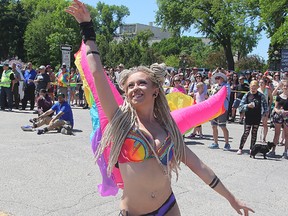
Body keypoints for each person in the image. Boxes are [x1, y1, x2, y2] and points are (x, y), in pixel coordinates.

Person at [66, 1, 255, 215]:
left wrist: (232, 199)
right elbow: (97, 73)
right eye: (130, 85)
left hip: (168, 207)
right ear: (126, 93)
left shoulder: (169, 129)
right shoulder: (120, 122)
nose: (135, 88)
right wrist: (87, 30)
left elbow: (199, 167)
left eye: (141, 83)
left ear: (155, 89)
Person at [236, 81, 269, 155]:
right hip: (248, 116)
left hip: (257, 116)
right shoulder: (247, 95)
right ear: (250, 87)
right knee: (246, 132)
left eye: (255, 87)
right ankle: (240, 148)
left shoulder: (261, 95)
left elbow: (265, 106)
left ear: (257, 87)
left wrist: (265, 114)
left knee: (254, 133)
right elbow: (241, 106)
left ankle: (252, 149)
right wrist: (247, 105)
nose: (253, 89)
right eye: (252, 87)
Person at [208, 72, 231, 150]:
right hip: (214, 108)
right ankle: (215, 142)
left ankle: (227, 143)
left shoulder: (226, 86)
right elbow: (211, 95)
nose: (218, 80)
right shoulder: (214, 86)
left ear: (223, 79)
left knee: (222, 126)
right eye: (216, 78)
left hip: (222, 108)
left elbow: (226, 94)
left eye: (219, 78)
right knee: (213, 126)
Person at [269, 80, 288, 158]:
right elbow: (275, 108)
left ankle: (285, 151)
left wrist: (286, 112)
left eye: (287, 86)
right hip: (278, 116)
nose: (285, 87)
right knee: (277, 133)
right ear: (282, 87)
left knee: (287, 135)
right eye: (284, 86)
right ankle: (273, 150)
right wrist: (279, 111)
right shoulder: (279, 96)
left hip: (287, 117)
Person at [257, 78, 273, 142]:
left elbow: (271, 99)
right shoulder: (257, 90)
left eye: (262, 83)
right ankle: (256, 137)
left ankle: (264, 137)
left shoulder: (267, 90)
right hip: (258, 109)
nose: (261, 84)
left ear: (265, 84)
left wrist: (269, 106)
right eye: (260, 82)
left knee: (265, 124)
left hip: (265, 109)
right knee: (256, 123)